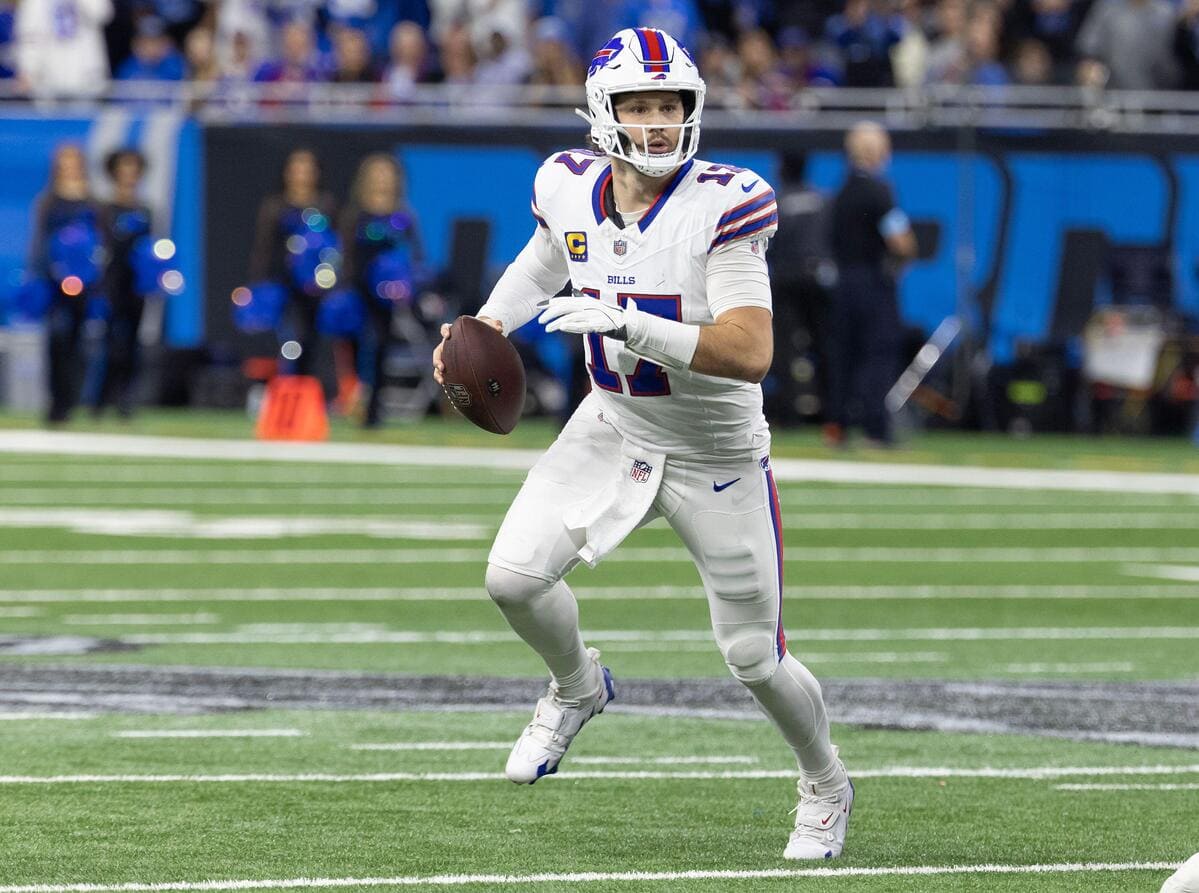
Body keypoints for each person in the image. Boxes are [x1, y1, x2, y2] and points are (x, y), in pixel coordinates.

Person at [432, 26, 853, 861]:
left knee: (753, 658)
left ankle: (825, 782)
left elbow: (749, 351)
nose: (657, 122)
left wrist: (630, 322)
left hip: (714, 451)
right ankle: (577, 686)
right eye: (639, 105)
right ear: (604, 111)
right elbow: (547, 257)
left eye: (670, 105)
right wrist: (485, 324)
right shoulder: (566, 182)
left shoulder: (725, 202)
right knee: (510, 577)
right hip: (614, 422)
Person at [825, 120, 916, 448]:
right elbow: (902, 243)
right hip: (873, 282)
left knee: (844, 356)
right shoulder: (880, 191)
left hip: (843, 282)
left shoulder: (840, 192)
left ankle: (837, 426)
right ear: (874, 150)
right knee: (878, 353)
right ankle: (875, 429)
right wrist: (901, 263)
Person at [340, 152, 424, 427]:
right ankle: (350, 397)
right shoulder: (355, 214)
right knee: (354, 346)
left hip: (388, 296)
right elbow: (345, 256)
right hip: (358, 291)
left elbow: (416, 257)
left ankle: (374, 409)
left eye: (387, 174)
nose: (382, 180)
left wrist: (404, 284)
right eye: (377, 174)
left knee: (380, 347)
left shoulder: (404, 215)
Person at [248, 148, 339, 394]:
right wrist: (259, 284)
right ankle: (282, 391)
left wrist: (328, 280)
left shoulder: (325, 204)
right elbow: (264, 247)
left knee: (310, 339)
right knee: (286, 339)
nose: (302, 175)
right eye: (297, 168)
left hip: (313, 287)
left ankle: (306, 393)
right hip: (281, 283)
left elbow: (333, 247)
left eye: (308, 169)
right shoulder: (275, 205)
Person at [28, 143, 106, 424]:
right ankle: (56, 402)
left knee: (81, 342)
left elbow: (100, 243)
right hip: (55, 281)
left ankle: (75, 399)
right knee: (57, 339)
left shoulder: (92, 202)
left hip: (87, 284)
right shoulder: (48, 201)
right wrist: (45, 273)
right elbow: (39, 243)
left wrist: (94, 277)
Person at [95, 148, 153, 418]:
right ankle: (100, 399)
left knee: (133, 344)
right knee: (109, 343)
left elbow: (150, 248)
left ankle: (126, 400)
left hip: (136, 284)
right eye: (124, 168)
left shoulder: (145, 209)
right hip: (111, 282)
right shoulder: (104, 209)